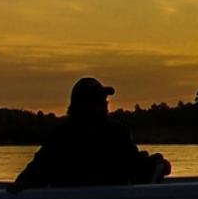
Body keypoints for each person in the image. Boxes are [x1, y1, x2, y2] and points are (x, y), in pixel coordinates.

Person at [10, 77, 171, 192]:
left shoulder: (60, 137)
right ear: (86, 106)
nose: (106, 105)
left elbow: (33, 175)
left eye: (105, 101)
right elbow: (139, 171)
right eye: (100, 101)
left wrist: (22, 185)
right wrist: (159, 164)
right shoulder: (114, 135)